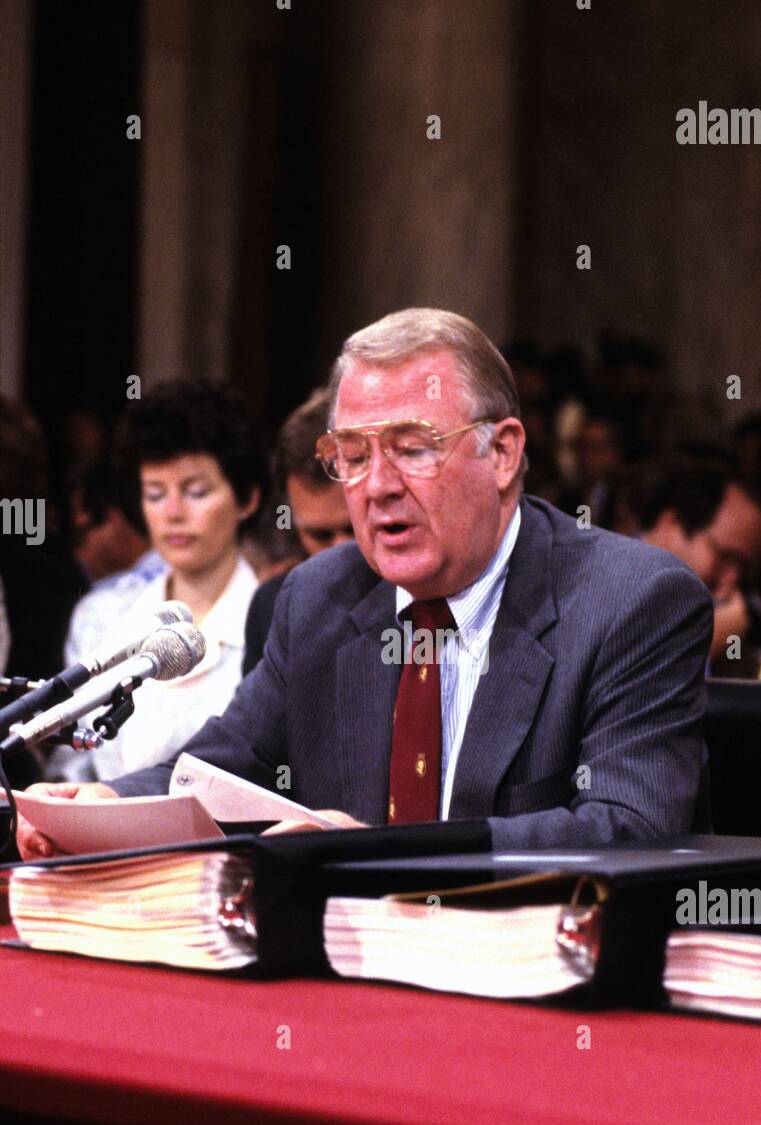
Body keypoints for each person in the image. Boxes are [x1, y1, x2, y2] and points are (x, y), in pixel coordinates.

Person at [16, 308, 712, 860]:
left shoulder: (632, 601)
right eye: (352, 456)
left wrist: (378, 852)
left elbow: (631, 828)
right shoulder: (320, 596)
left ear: (502, 453)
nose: (377, 488)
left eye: (412, 449)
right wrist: (108, 805)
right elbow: (224, 768)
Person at [45, 381, 266, 783]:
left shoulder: (271, 624)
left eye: (196, 491)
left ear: (247, 499)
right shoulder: (100, 617)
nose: (174, 513)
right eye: (155, 493)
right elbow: (72, 762)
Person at [243, 387, 354, 674]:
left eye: (352, 529)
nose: (341, 550)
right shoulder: (273, 609)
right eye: (320, 535)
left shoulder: (435, 604)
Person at [627, 457, 761, 665]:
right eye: (725, 557)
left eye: (743, 568)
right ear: (671, 527)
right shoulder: (610, 588)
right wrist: (704, 642)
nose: (731, 580)